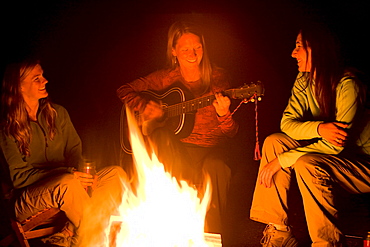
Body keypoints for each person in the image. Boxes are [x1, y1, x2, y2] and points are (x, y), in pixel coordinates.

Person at [249, 22, 370, 247]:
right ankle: (279, 233)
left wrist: (282, 161)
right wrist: (319, 128)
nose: (293, 53)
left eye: (299, 46)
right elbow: (287, 123)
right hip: (330, 154)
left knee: (307, 163)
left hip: (362, 164)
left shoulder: (348, 85)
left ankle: (327, 244)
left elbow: (336, 146)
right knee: (274, 142)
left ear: (318, 49)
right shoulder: (304, 81)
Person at [116, 20, 239, 235]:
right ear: (174, 51)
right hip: (177, 149)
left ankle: (213, 236)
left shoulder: (219, 78)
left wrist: (223, 114)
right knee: (161, 139)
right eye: (185, 49)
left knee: (217, 166)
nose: (192, 53)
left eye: (197, 47)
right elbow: (124, 90)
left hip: (211, 149)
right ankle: (164, 232)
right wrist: (144, 106)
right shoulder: (165, 78)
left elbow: (231, 132)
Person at [0, 59, 128, 247]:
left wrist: (85, 176)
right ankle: (97, 239)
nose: (45, 81)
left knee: (115, 174)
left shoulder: (57, 113)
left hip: (69, 186)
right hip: (26, 198)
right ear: (19, 87)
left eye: (42, 75)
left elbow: (74, 152)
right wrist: (67, 173)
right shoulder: (8, 127)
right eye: (37, 79)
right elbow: (19, 177)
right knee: (68, 183)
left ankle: (71, 235)